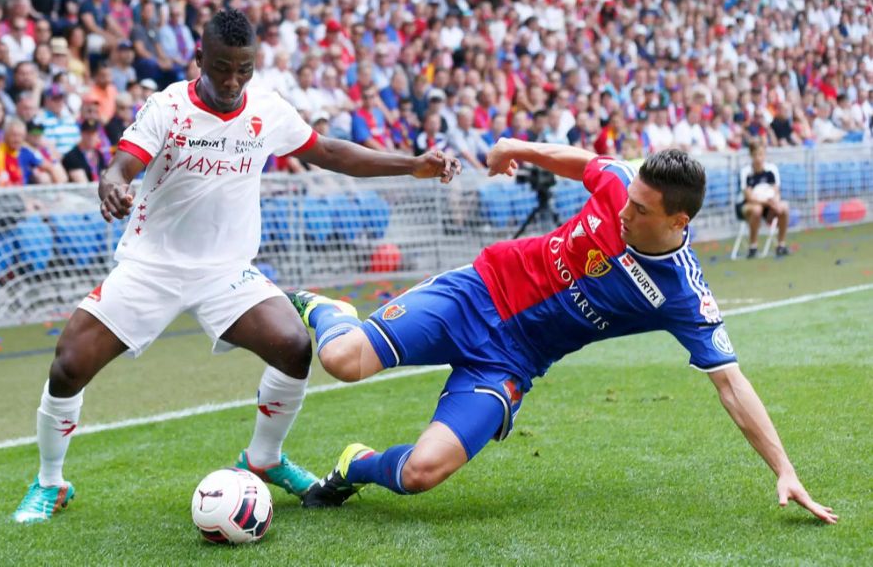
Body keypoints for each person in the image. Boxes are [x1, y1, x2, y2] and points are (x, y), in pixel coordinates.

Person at [12, 8, 460, 524]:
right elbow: (122, 164)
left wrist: (412, 164)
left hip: (226, 269)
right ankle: (51, 482)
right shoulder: (168, 107)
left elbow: (332, 153)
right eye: (221, 67)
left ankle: (264, 458)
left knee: (293, 345)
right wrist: (113, 184)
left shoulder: (266, 110)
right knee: (69, 363)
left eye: (243, 69)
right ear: (198, 57)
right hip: (151, 266)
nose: (231, 80)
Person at [289, 139, 837, 525]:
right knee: (342, 361)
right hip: (475, 293)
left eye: (640, 209)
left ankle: (353, 464)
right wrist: (516, 148)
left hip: (511, 362)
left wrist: (785, 470)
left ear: (678, 222)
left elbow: (731, 385)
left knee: (421, 474)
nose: (624, 208)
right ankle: (328, 307)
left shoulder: (681, 294)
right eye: (628, 196)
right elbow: (584, 164)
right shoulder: (623, 184)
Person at [736, 138, 790, 258]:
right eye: (755, 155)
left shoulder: (772, 170)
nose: (758, 158)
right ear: (751, 155)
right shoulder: (746, 172)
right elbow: (749, 197)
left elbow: (776, 191)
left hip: (769, 204)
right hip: (748, 206)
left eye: (761, 154)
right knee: (757, 209)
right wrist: (767, 202)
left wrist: (775, 201)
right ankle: (753, 247)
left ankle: (781, 245)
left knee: (784, 207)